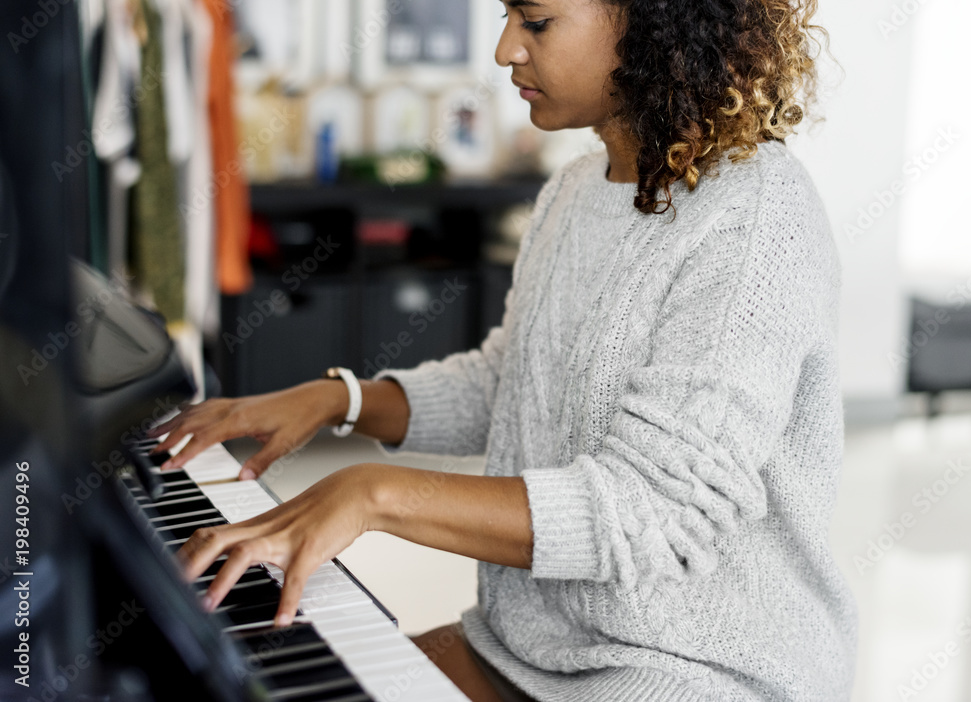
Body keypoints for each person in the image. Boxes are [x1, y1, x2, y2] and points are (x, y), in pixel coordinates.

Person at [151, 0, 858, 699]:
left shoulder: (756, 216)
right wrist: (340, 399)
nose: (505, 51)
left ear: (653, 20)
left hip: (692, 669)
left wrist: (374, 493)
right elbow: (510, 385)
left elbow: (653, 511)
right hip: (525, 646)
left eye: (537, 21)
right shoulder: (574, 190)